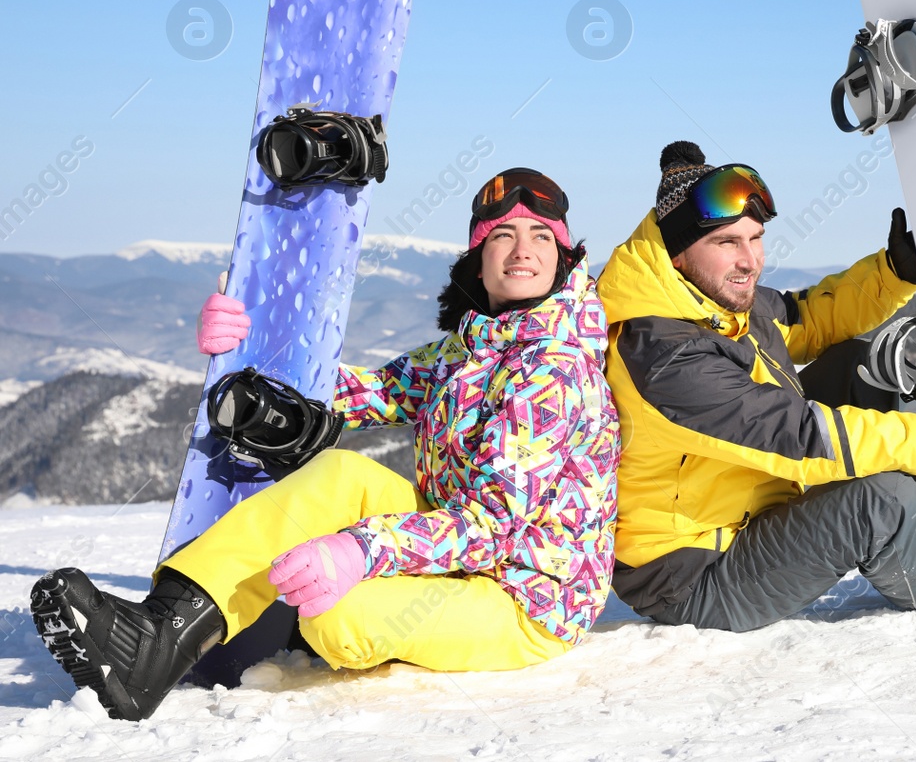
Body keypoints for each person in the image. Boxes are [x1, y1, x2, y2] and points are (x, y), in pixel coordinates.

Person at [30, 167, 619, 721]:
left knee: (338, 620)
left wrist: (361, 550)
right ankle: (160, 635)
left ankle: (294, 605)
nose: (523, 251)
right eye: (504, 236)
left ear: (563, 255)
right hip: (458, 548)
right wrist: (248, 343)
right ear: (478, 258)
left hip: (528, 593)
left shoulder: (555, 372)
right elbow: (370, 392)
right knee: (341, 473)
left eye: (542, 236)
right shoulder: (472, 348)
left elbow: (495, 525)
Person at [597, 141, 916, 631]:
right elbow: (803, 439)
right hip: (694, 573)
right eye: (727, 242)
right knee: (878, 498)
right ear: (678, 252)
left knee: (861, 370)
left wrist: (894, 274)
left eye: (755, 239)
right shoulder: (662, 354)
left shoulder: (713, 302)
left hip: (754, 504)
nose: (750, 260)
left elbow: (806, 319)